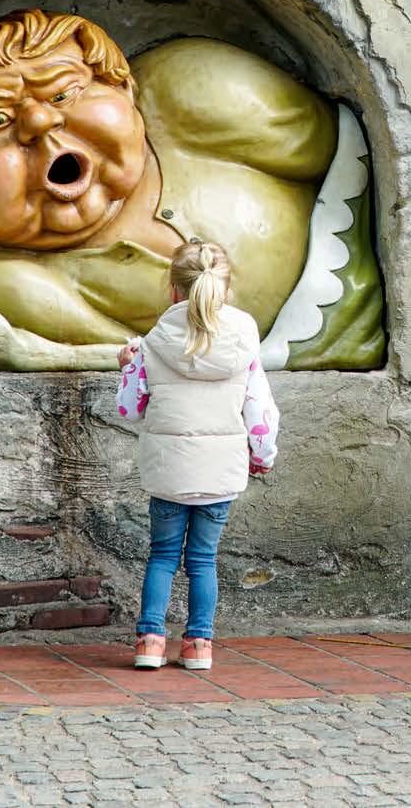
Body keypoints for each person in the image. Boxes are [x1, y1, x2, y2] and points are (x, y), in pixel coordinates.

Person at [0, 8, 385, 372]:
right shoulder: (4, 280)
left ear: (121, 87)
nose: (39, 122)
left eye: (63, 92)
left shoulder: (193, 90)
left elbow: (344, 146)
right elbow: (138, 362)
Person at [114, 240, 278, 671]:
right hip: (220, 473)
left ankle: (150, 642)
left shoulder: (152, 343)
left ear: (173, 289)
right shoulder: (243, 343)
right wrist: (262, 456)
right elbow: (260, 411)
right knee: (203, 561)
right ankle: (198, 646)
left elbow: (130, 410)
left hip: (169, 472)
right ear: (226, 289)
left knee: (163, 557)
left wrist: (127, 367)